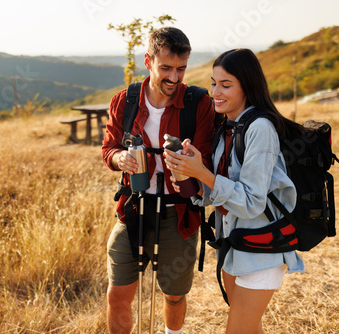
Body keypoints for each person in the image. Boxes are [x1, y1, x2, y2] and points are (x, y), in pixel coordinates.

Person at [164, 48, 305, 334]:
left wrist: (202, 173)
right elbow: (218, 189)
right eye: (213, 83)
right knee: (250, 329)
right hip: (234, 245)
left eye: (226, 85)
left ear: (248, 87)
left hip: (262, 250)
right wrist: (192, 178)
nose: (216, 91)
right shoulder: (228, 127)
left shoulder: (260, 128)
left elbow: (253, 202)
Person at [101, 27, 215, 334]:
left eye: (181, 69)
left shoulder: (198, 103)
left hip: (179, 213)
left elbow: (207, 157)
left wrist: (191, 162)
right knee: (117, 293)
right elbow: (108, 148)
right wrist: (119, 158)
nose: (174, 78)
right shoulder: (125, 101)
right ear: (148, 61)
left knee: (174, 295)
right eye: (166, 68)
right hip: (133, 208)